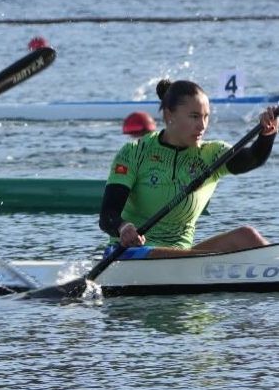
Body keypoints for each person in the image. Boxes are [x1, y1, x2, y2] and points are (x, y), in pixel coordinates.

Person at [100, 79, 276, 259]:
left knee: (247, 236)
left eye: (206, 116)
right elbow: (107, 215)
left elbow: (253, 158)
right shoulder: (135, 152)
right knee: (166, 255)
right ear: (170, 116)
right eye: (194, 116)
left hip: (182, 257)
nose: (202, 125)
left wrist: (267, 136)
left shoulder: (212, 154)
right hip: (129, 254)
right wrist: (123, 227)